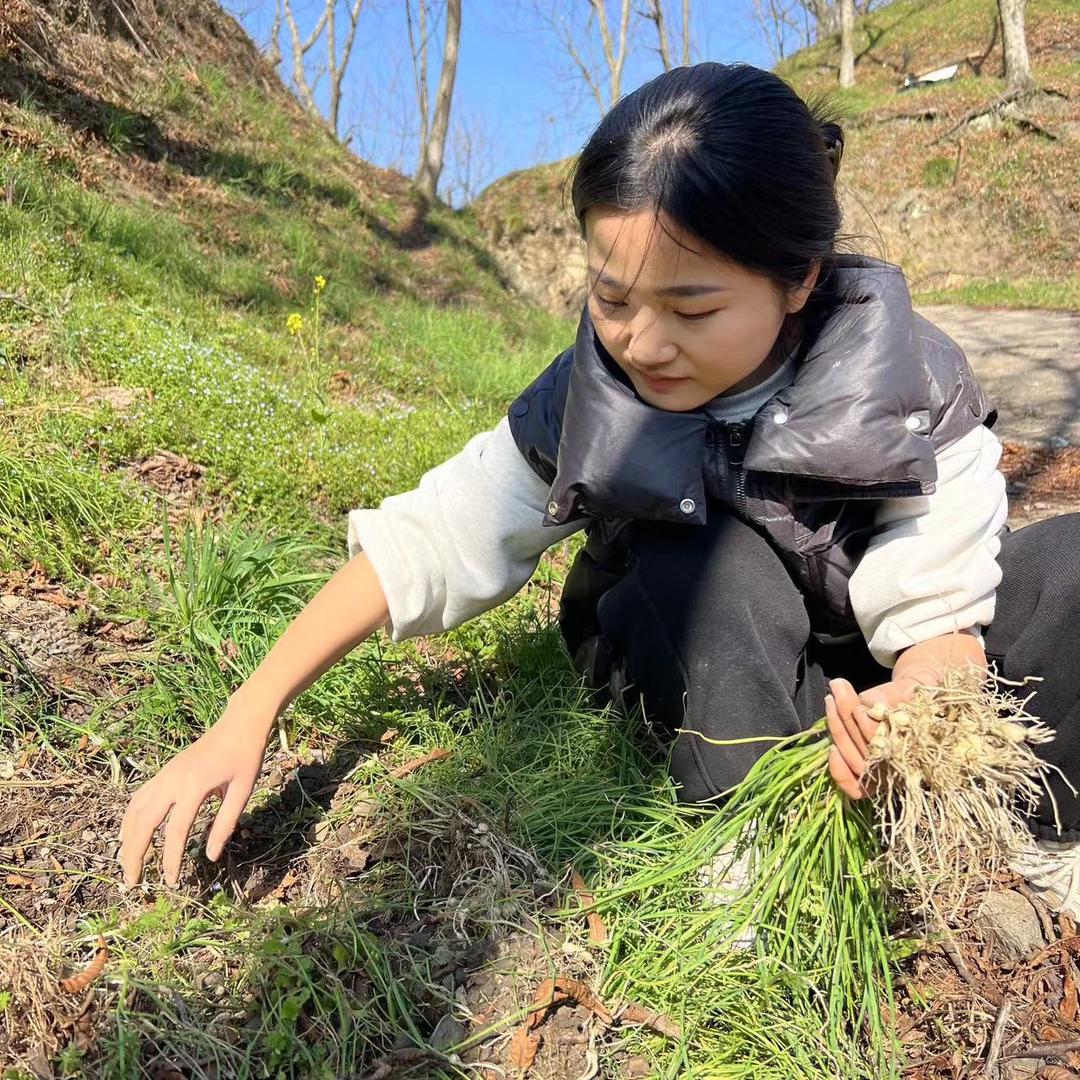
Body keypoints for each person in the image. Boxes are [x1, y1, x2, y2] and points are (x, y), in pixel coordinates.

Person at [118, 62, 1080, 917]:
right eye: (611, 298)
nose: (643, 344)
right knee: (714, 565)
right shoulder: (592, 395)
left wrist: (930, 673)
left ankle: (1038, 828)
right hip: (701, 653)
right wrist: (250, 710)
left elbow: (943, 558)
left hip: (873, 647)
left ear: (799, 279)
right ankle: (758, 855)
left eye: (692, 308)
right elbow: (435, 536)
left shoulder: (904, 370)